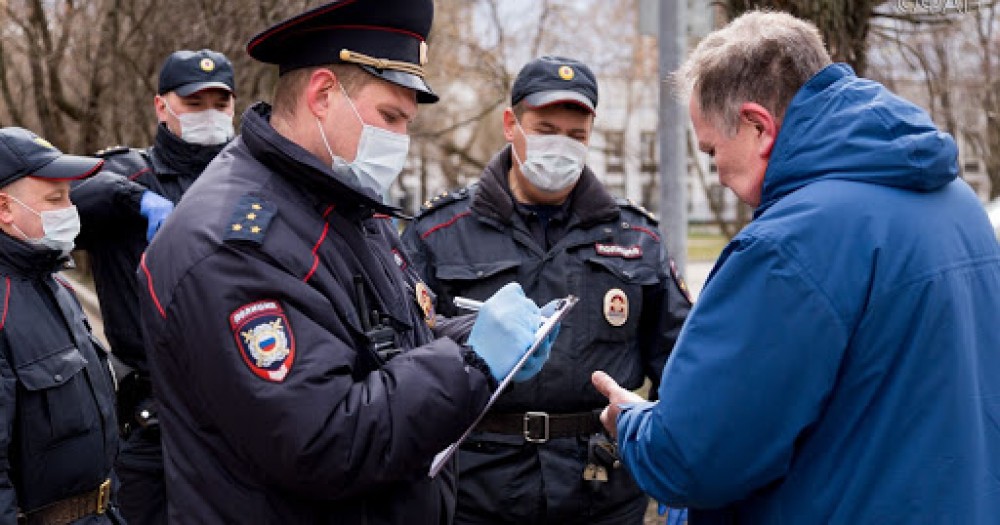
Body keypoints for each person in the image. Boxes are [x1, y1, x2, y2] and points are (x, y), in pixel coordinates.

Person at [136, 1, 553, 523]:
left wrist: (484, 337)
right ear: (323, 94)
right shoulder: (232, 244)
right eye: (390, 117)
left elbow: (384, 343)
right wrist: (470, 366)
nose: (400, 140)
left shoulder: (342, 202)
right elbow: (324, 439)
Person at [593, 11, 1000, 523]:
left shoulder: (789, 246)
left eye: (712, 150)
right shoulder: (959, 204)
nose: (716, 174)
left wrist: (631, 423)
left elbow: (692, 458)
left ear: (758, 126)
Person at [402, 56, 691, 524]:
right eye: (546, 129)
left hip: (600, 490)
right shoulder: (440, 231)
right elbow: (404, 356)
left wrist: (663, 452)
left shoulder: (636, 236)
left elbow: (680, 360)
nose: (561, 146)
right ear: (510, 125)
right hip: (478, 487)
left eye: (576, 135)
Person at [69, 47, 236, 525]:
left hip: (238, 408)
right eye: (194, 103)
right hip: (152, 417)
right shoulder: (129, 173)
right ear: (162, 107)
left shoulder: (251, 180)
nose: (209, 114)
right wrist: (133, 199)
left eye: (220, 103)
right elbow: (57, 203)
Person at [0, 127, 122, 524]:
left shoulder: (58, 287)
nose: (70, 210)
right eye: (55, 200)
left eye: (69, 197)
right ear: (5, 209)